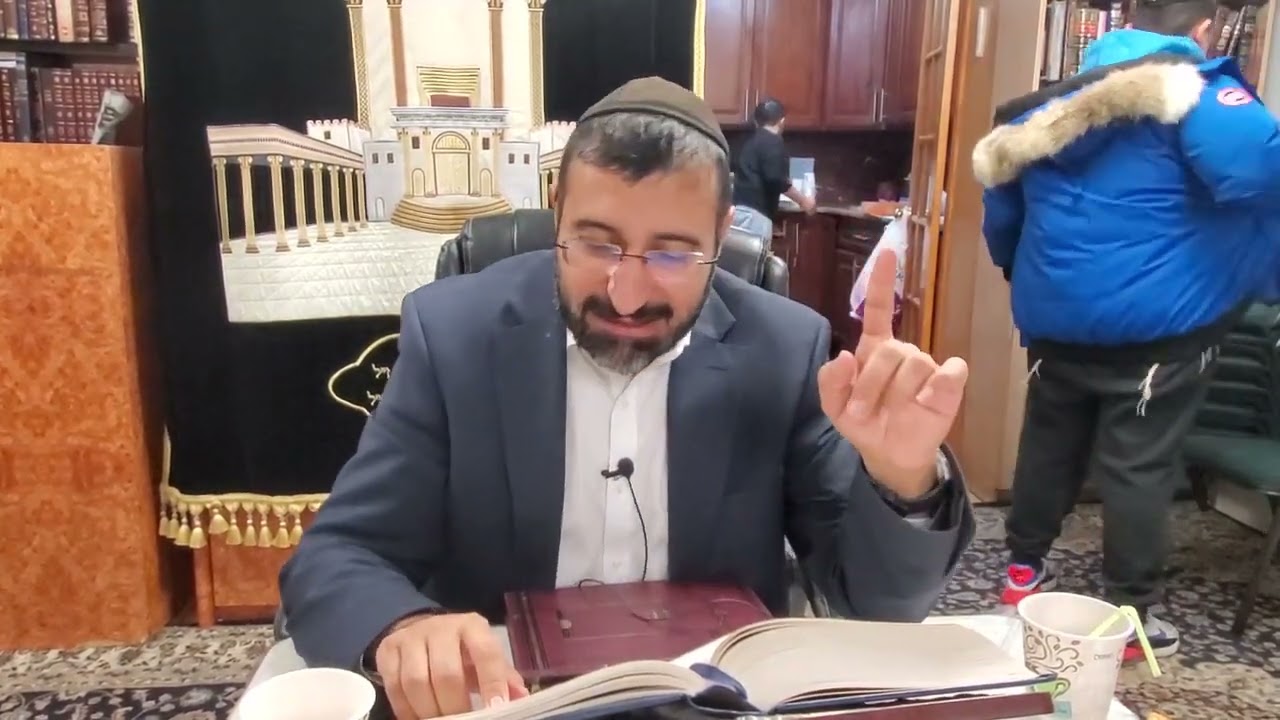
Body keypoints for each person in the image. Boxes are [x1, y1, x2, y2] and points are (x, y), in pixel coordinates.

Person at [280, 76, 974, 720]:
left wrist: (902, 476)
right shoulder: (454, 335)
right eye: (596, 244)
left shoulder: (784, 349)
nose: (628, 294)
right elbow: (336, 557)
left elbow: (876, 606)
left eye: (672, 254)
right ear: (558, 213)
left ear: (721, 233)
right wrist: (402, 626)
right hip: (507, 701)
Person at [972, 0, 1280, 662]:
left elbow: (1002, 220)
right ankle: (1131, 617)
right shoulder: (1200, 96)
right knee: (1138, 465)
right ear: (1202, 29)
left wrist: (1033, 281)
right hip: (1159, 326)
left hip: (1055, 321)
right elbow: (1257, 171)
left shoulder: (1047, 107)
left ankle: (1022, 575)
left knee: (1048, 444)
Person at [730, 98, 816, 241]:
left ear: (756, 122)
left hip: (738, 213)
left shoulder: (749, 143)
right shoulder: (774, 142)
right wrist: (804, 202)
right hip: (755, 216)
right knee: (756, 255)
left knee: (741, 254)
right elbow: (776, 180)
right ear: (782, 121)